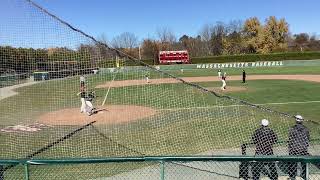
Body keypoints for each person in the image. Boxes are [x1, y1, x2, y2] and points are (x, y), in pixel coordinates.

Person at [288, 115, 310, 180]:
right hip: (303, 148)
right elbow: (308, 138)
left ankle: (292, 176)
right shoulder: (306, 129)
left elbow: (290, 139)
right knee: (303, 163)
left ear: (296, 121)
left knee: (292, 163)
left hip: (294, 148)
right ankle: (304, 175)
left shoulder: (292, 128)